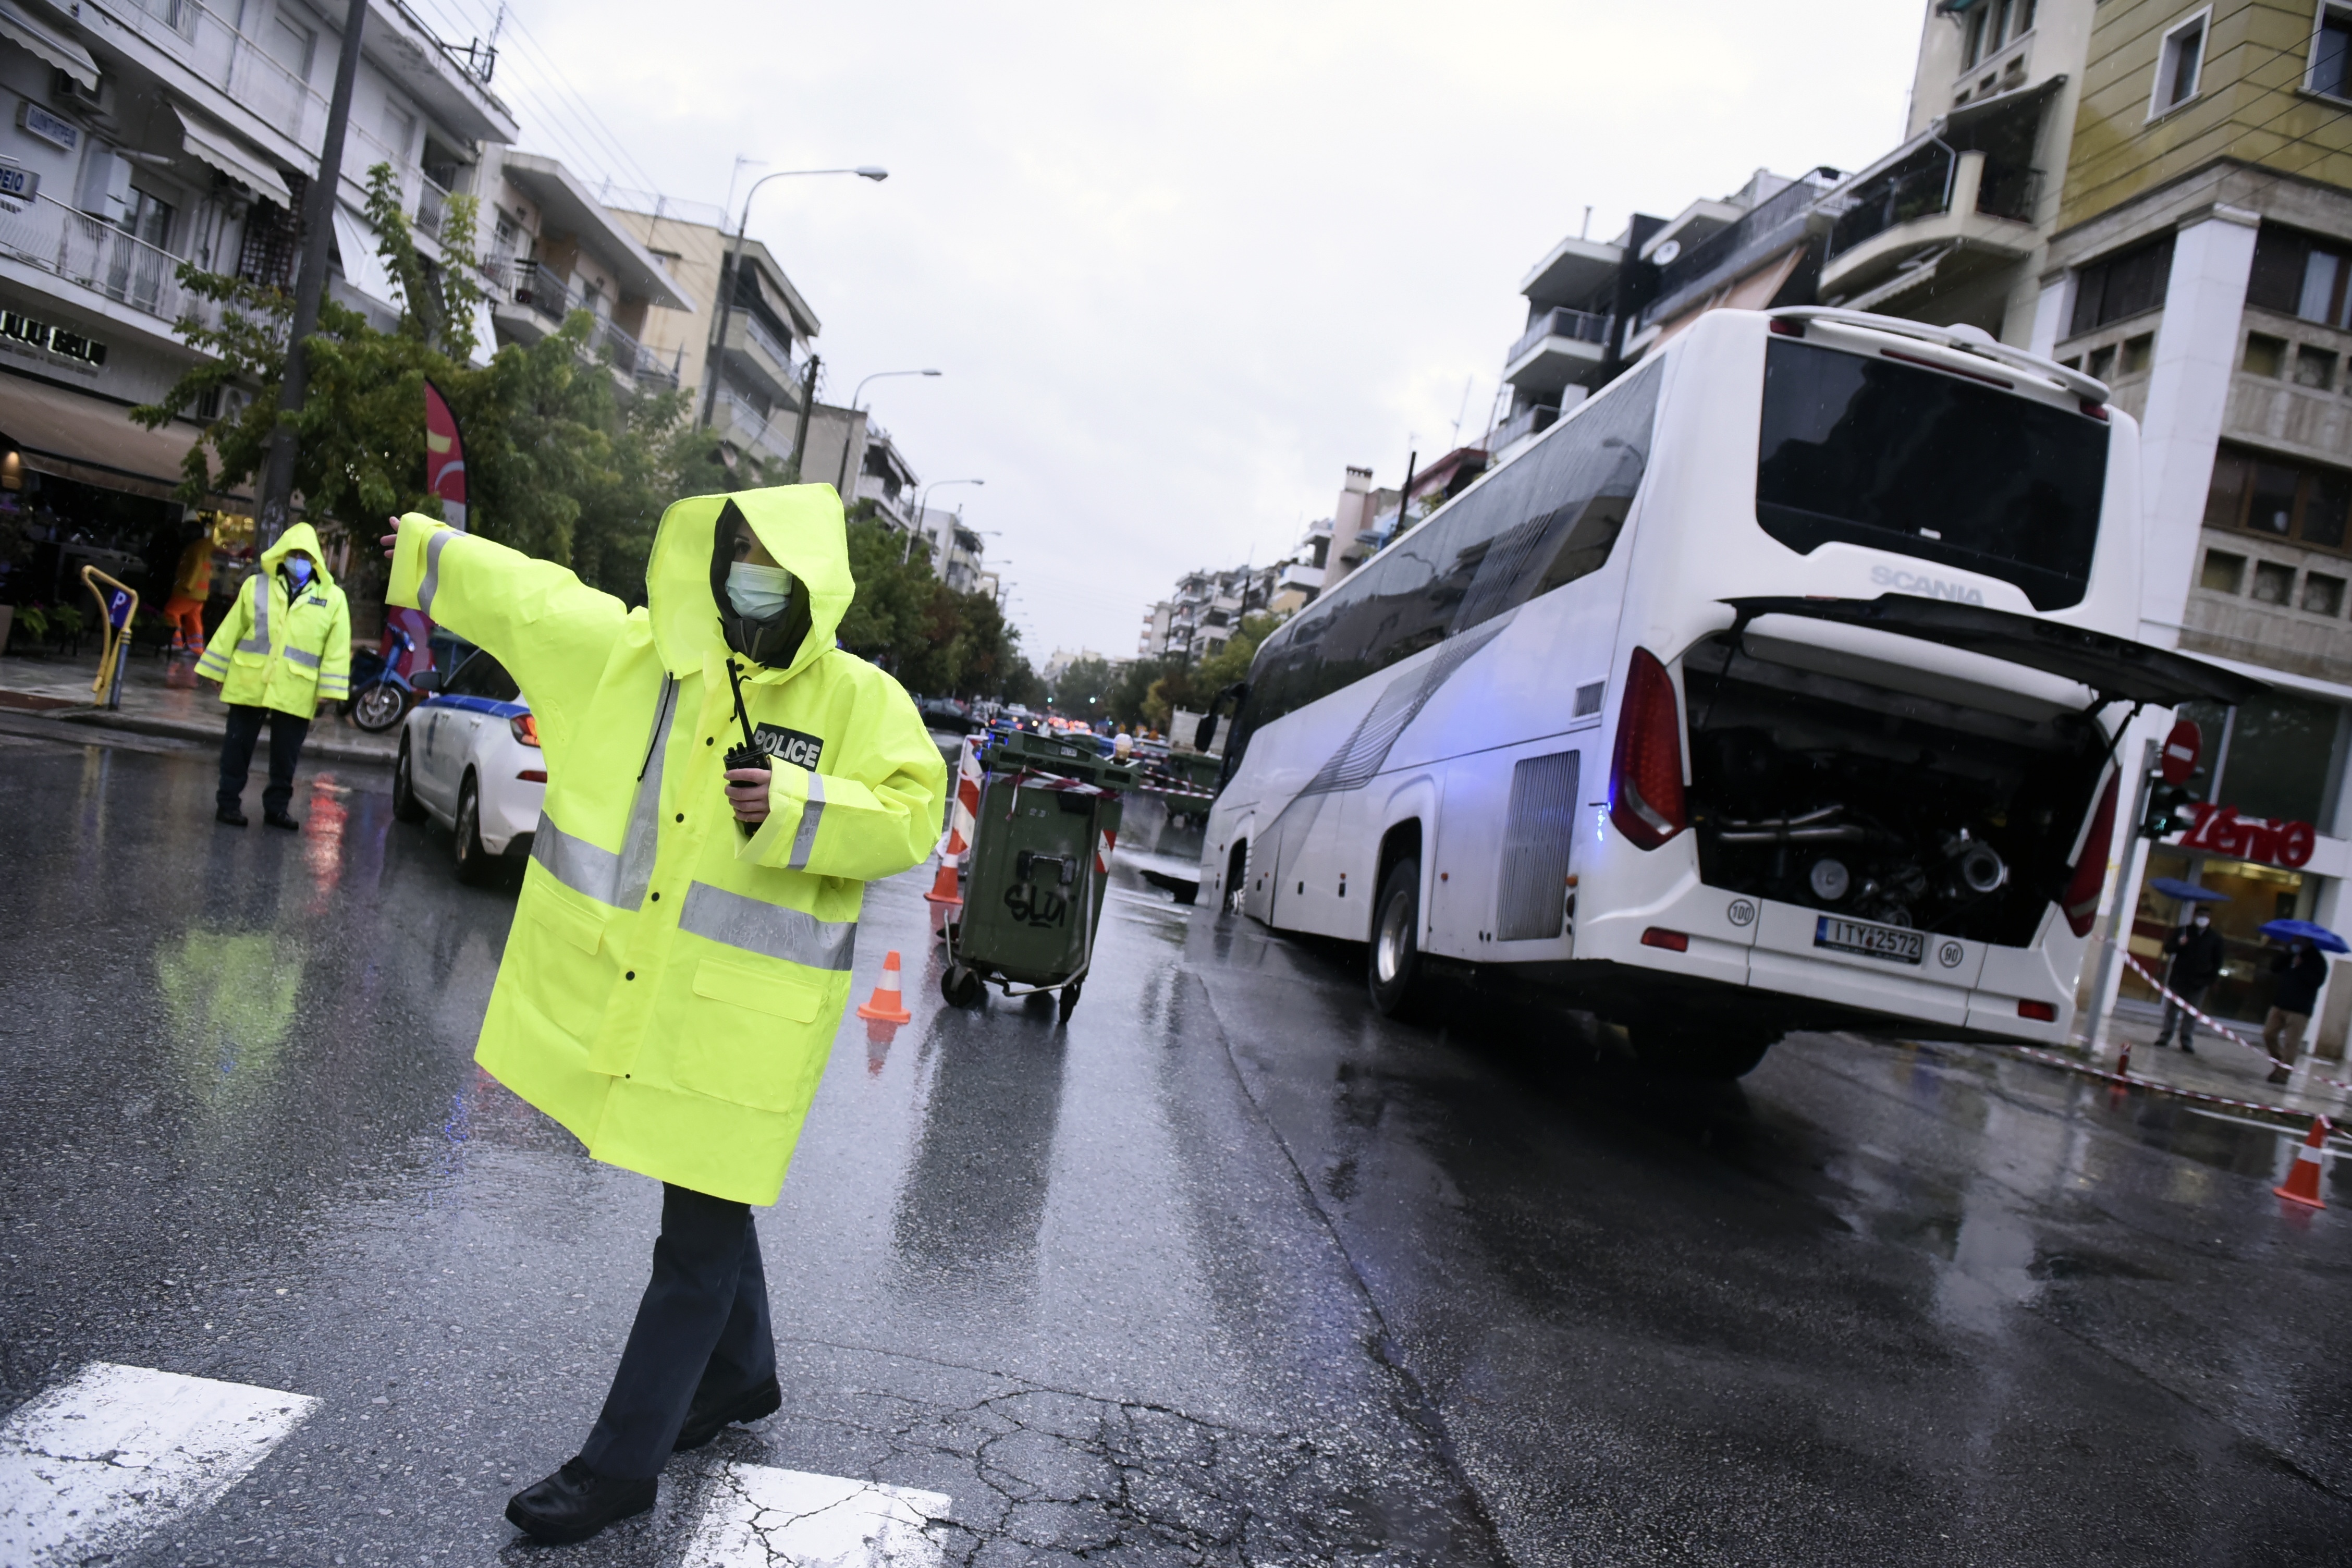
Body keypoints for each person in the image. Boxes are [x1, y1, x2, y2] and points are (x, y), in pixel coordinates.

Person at [377, 486, 944, 1546]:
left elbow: (917, 812)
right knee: (710, 1200)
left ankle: (618, 1466)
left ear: (811, 574)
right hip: (648, 1001)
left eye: (771, 557)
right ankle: (743, 1374)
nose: (749, 571)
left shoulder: (862, 702)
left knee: (696, 1240)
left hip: (750, 1031)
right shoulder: (638, 656)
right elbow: (531, 602)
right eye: (736, 551)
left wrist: (797, 806)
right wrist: (425, 551)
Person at [193, 522, 351, 829]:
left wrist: (328, 692)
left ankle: (276, 810)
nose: (299, 559)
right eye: (293, 553)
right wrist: (217, 669)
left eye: (305, 554)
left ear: (316, 559)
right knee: (237, 748)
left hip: (296, 688)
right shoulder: (256, 586)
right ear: (282, 554)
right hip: (249, 680)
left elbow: (337, 649)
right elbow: (231, 630)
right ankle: (228, 804)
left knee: (286, 756)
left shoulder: (333, 598)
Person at [2153, 909, 2227, 1052]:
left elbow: (2218, 962)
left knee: (2192, 1013)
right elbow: (2168, 949)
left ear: (2210, 918)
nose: (2203, 919)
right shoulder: (2184, 931)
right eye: (2200, 916)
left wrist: (2210, 980)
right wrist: (2179, 944)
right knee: (2172, 1010)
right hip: (2179, 979)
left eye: (2206, 917)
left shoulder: (2215, 938)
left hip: (2199, 982)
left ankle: (2186, 1040)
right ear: (2194, 917)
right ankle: (2165, 1035)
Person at [2263, 938, 2330, 1085]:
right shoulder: (2290, 955)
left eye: (2300, 941)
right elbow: (2274, 968)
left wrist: (2301, 968)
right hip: (2280, 1003)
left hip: (2299, 1009)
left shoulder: (2317, 961)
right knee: (2269, 1034)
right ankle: (2281, 1063)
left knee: (2291, 1044)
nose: (2297, 943)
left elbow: (2317, 982)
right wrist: (2285, 955)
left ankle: (2283, 1074)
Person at [162, 523, 213, 655]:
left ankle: (175, 642)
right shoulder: (204, 547)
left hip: (189, 591)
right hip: (200, 592)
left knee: (171, 611)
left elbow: (195, 567)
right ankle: (196, 647)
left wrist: (187, 586)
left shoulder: (195, 548)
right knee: (193, 617)